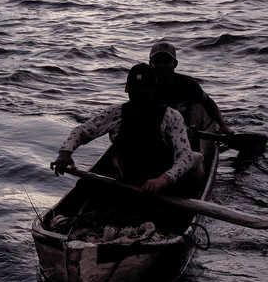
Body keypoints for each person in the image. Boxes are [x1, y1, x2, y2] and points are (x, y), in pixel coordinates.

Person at [50, 63, 200, 194]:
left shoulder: (171, 116)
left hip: (162, 183)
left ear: (153, 91)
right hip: (127, 180)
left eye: (143, 93)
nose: (139, 98)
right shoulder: (116, 113)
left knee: (195, 158)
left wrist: (163, 180)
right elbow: (82, 131)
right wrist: (65, 153)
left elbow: (184, 157)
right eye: (135, 93)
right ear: (127, 90)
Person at [148, 42, 231, 151]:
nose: (161, 66)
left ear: (175, 64)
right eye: (157, 61)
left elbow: (208, 103)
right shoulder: (144, 86)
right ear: (150, 63)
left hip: (187, 132)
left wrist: (223, 126)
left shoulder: (188, 84)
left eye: (166, 61)